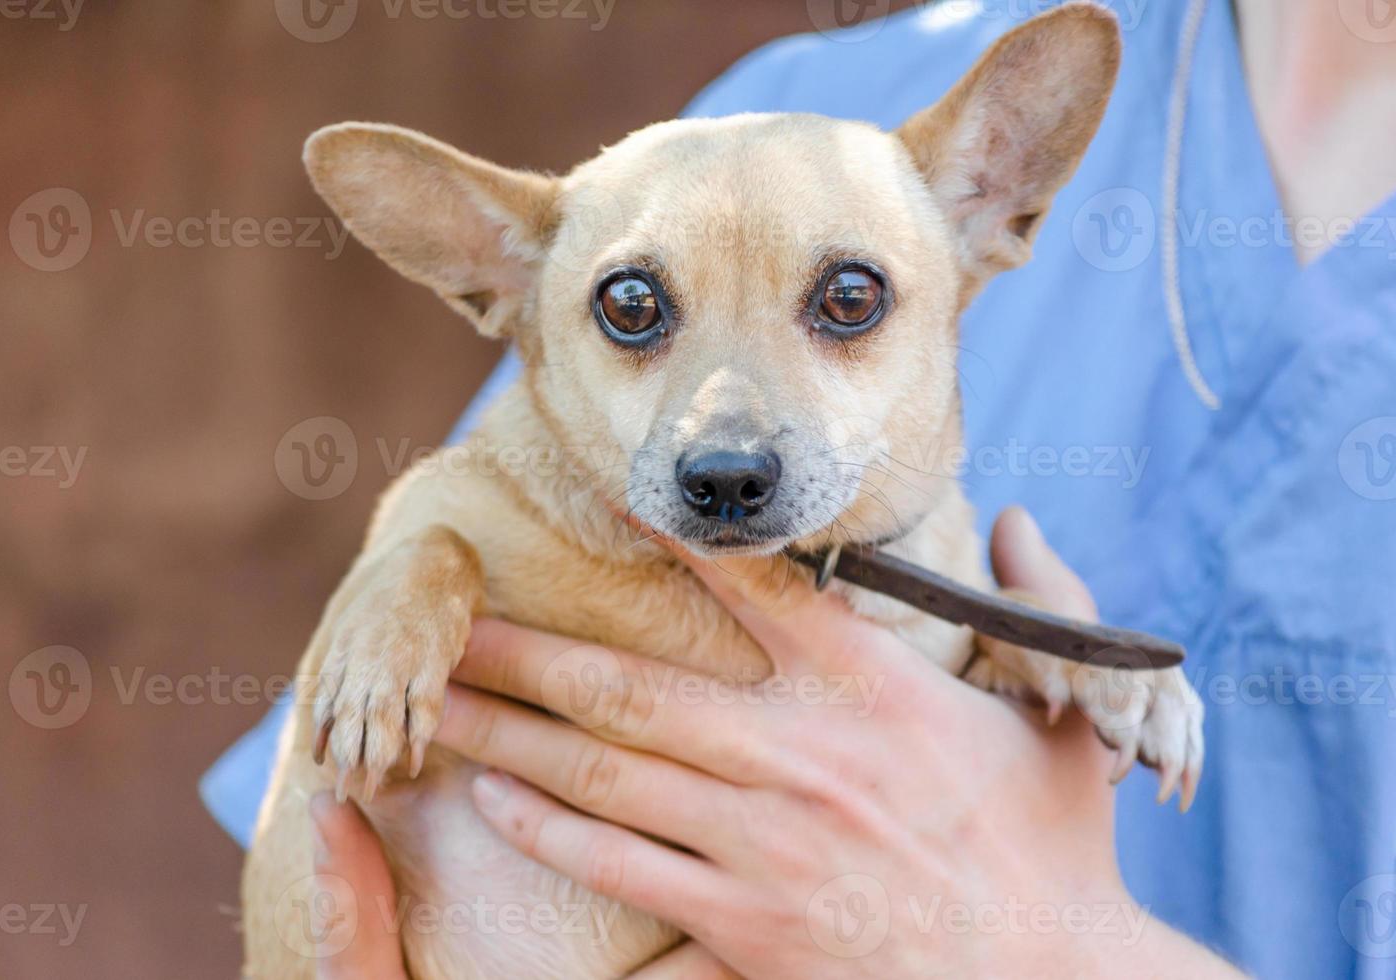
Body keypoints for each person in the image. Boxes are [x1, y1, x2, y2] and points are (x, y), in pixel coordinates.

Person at [203, 1, 1396, 975]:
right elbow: (432, 558)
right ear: (502, 279)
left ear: (992, 209)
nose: (728, 442)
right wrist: (413, 580)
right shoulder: (753, 128)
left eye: (845, 304)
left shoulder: (906, 185)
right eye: (636, 310)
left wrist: (1054, 938)